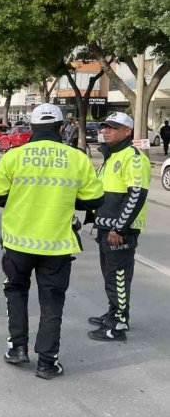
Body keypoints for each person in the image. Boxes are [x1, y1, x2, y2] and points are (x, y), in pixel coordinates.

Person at [0, 104, 103, 380]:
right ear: (62, 128)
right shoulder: (77, 158)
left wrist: (16, 200)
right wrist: (68, 200)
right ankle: (48, 362)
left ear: (32, 129)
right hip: (56, 245)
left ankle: (17, 348)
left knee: (16, 293)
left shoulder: (14, 156)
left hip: (17, 242)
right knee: (52, 303)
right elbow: (95, 199)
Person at [87, 112, 150, 342]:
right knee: (110, 276)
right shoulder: (112, 156)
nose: (106, 131)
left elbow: (136, 196)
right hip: (106, 228)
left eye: (113, 127)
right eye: (105, 127)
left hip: (120, 232)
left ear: (127, 132)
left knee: (119, 277)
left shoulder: (133, 157)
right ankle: (114, 312)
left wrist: (120, 228)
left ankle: (118, 324)